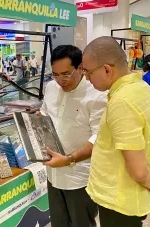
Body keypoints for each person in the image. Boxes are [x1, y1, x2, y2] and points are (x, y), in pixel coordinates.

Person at [82, 36, 150, 227]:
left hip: (119, 200)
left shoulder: (122, 102)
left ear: (106, 69)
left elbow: (138, 171)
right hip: (129, 196)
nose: (87, 79)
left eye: (87, 73)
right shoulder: (143, 89)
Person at [39, 45, 107, 227]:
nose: (60, 80)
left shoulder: (97, 95)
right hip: (53, 173)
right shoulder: (51, 88)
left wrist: (69, 159)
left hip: (80, 177)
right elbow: (45, 112)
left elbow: (98, 138)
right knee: (59, 222)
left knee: (81, 223)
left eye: (66, 74)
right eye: (55, 74)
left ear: (80, 69)